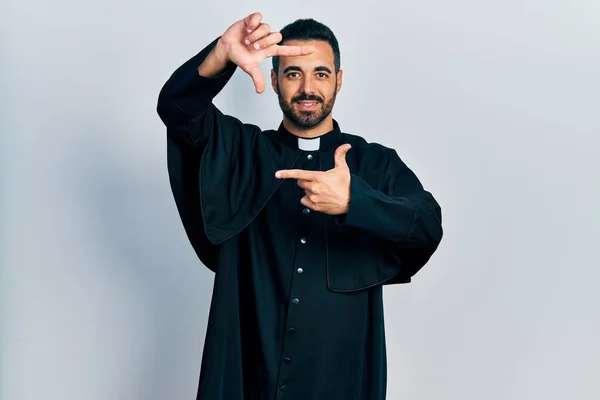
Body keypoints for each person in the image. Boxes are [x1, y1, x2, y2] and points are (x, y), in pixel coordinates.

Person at [156, 11, 443, 400]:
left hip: (341, 382)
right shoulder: (242, 153)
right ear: (274, 80)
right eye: (293, 74)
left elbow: (426, 224)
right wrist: (222, 53)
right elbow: (177, 109)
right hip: (248, 378)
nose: (308, 88)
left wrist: (355, 201)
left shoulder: (375, 164)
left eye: (321, 74)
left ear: (339, 81)